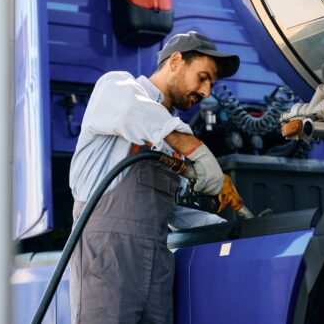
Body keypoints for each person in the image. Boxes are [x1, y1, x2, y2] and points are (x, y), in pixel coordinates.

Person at [68, 31, 240, 323]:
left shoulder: (171, 130)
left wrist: (232, 229)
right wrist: (194, 150)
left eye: (212, 83)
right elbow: (132, 110)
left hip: (157, 260)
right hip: (107, 257)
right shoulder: (116, 88)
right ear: (175, 61)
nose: (207, 91)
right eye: (203, 77)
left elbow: (167, 209)